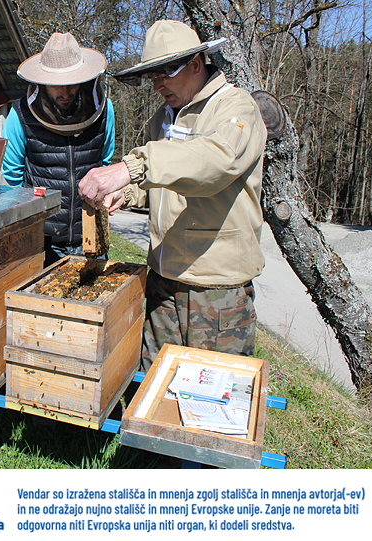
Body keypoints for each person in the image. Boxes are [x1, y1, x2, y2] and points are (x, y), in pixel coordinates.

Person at [79, 20, 267, 369]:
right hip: (163, 281)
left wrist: (130, 168)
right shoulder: (163, 117)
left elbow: (214, 162)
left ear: (196, 65)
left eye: (165, 73)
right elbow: (166, 184)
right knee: (154, 384)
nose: (157, 85)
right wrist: (128, 193)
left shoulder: (235, 108)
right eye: (152, 76)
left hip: (215, 291)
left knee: (212, 391)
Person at [2, 32, 115, 266]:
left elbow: (105, 165)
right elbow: (13, 178)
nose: (65, 92)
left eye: (72, 83)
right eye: (56, 85)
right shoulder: (19, 114)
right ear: (43, 82)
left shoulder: (105, 110)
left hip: (91, 234)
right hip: (41, 240)